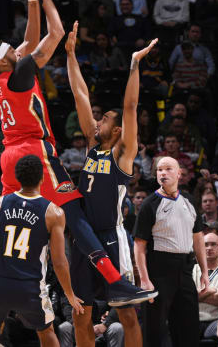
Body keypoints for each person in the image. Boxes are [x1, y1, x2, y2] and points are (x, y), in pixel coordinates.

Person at [0, 0, 148, 305]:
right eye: (11, 51)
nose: (18, 49)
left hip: (8, 155)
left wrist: (30, 1)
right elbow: (54, 33)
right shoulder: (19, 74)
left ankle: (0, 279)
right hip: (34, 151)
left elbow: (28, 41)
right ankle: (116, 281)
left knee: (13, 216)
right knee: (74, 215)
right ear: (5, 61)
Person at [65, 21, 158, 347]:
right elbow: (80, 93)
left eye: (105, 119)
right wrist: (70, 55)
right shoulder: (93, 146)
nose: (98, 120)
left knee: (127, 315)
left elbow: (130, 107)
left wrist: (134, 64)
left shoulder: (122, 155)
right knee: (81, 314)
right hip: (81, 240)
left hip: (110, 240)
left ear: (117, 131)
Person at [0, 155, 84, 347]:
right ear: (42, 178)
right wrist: (69, 294)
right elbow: (59, 260)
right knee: (46, 332)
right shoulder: (53, 213)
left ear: (17, 178)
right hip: (29, 287)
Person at [133, 156, 209, 347]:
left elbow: (198, 238)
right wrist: (144, 279)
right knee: (154, 331)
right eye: (159, 170)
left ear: (179, 174)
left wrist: (205, 272)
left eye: (168, 169)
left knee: (188, 328)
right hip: (158, 270)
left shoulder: (189, 201)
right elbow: (139, 245)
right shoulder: (150, 204)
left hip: (185, 269)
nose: (163, 173)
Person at [192, 233, 218, 345]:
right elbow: (185, 298)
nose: (209, 248)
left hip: (216, 321)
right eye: (205, 245)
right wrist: (212, 291)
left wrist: (197, 295)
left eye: (213, 244)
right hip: (192, 320)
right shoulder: (190, 269)